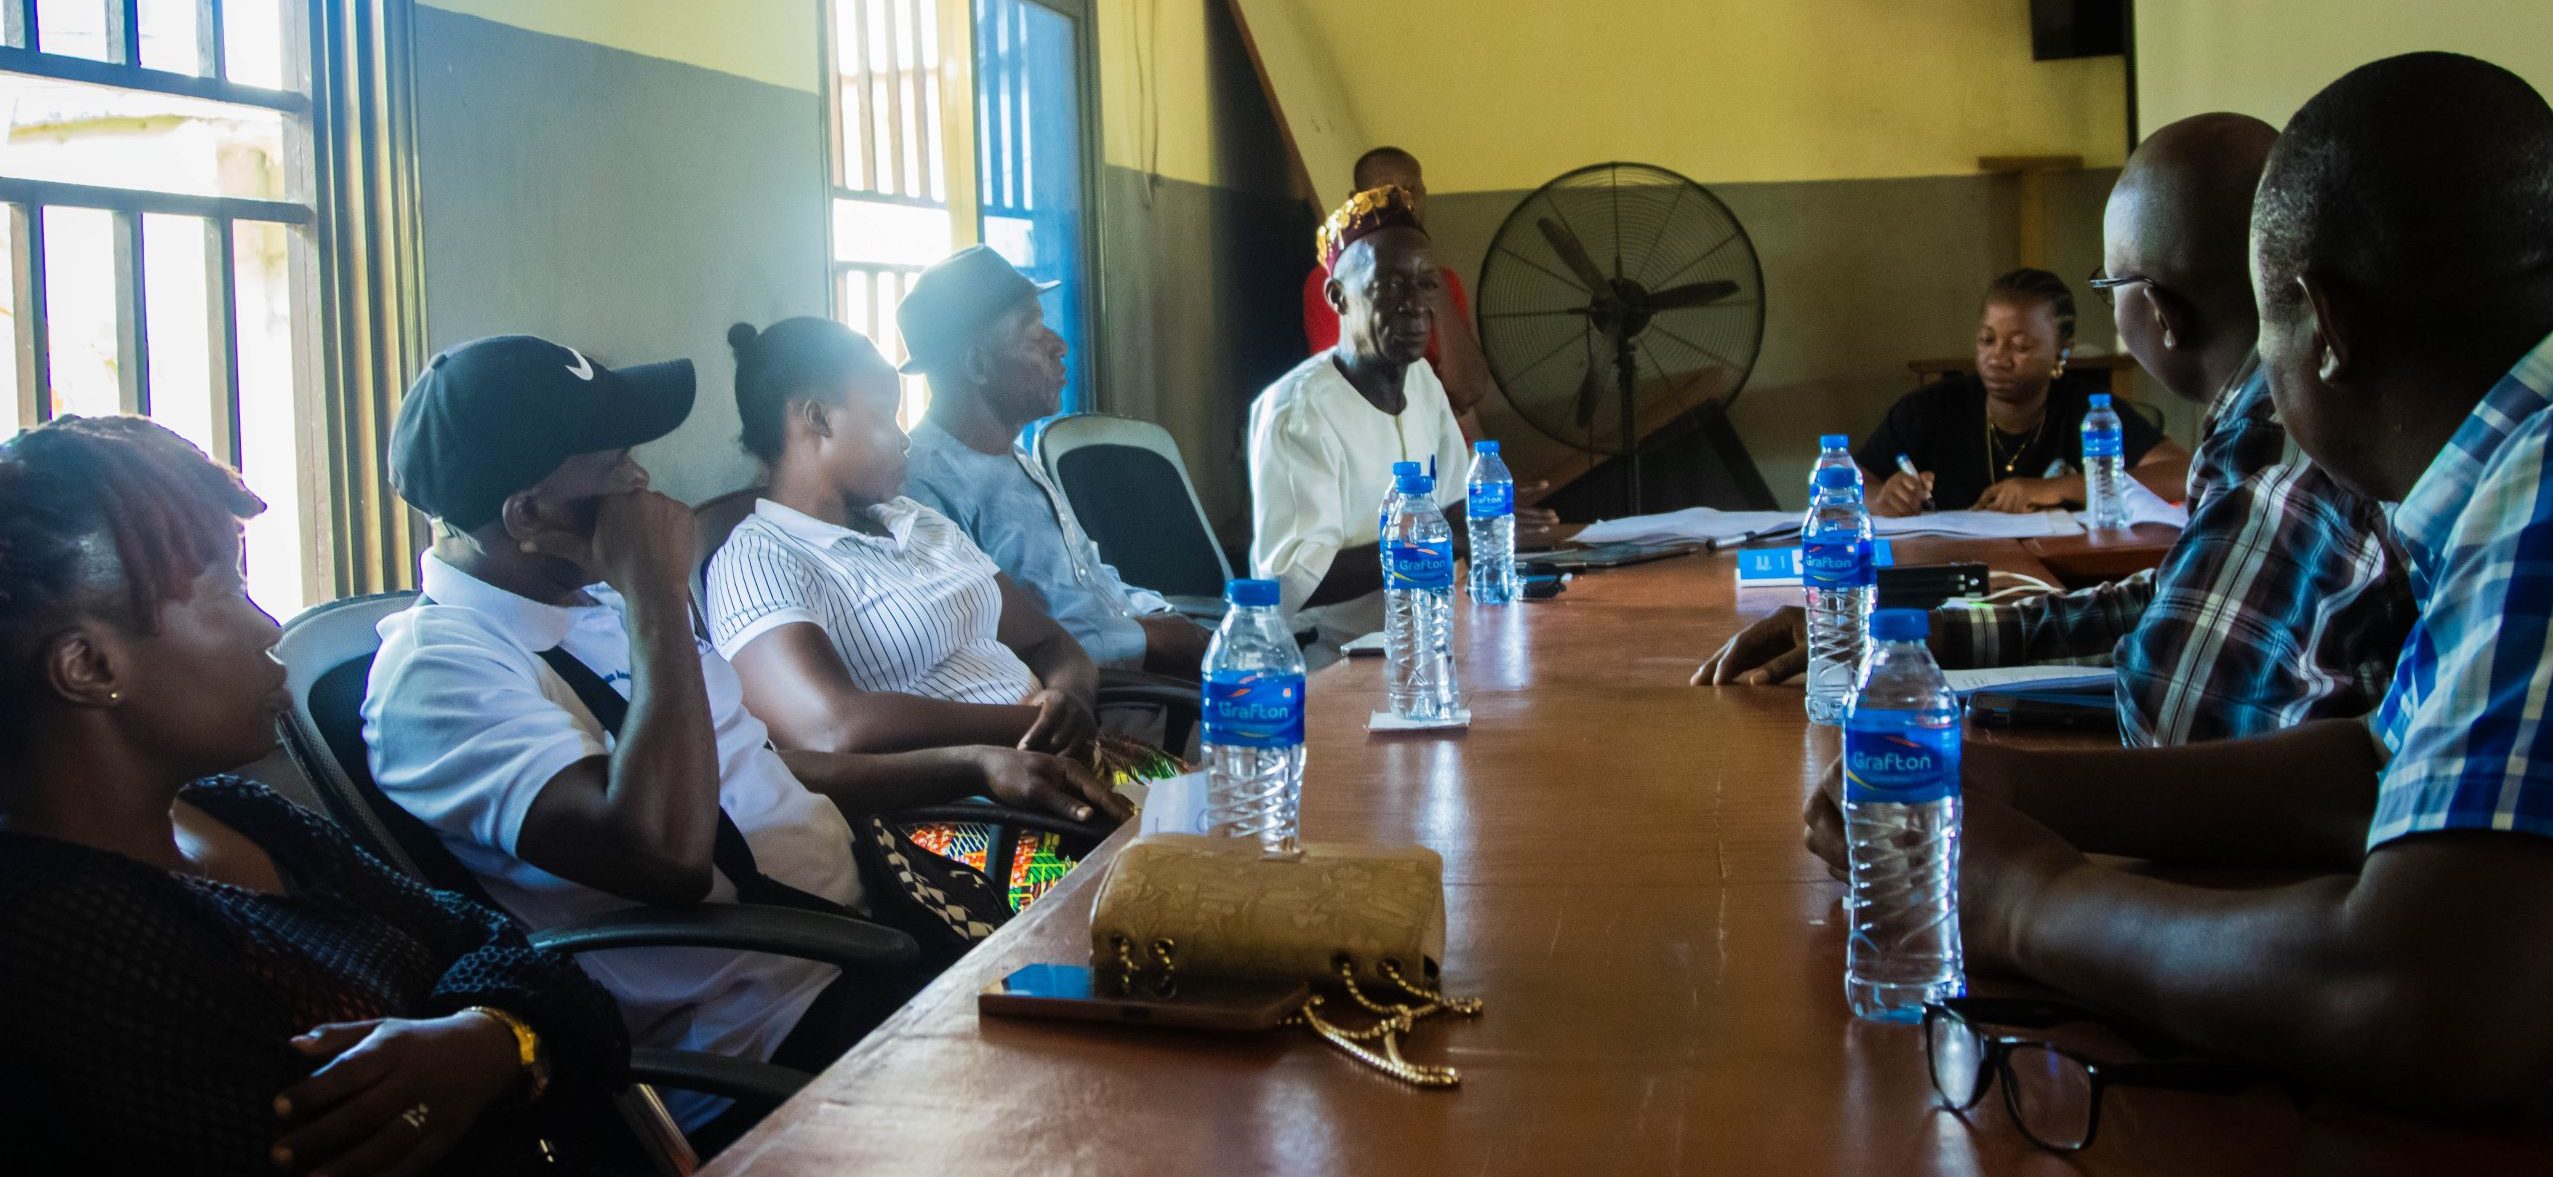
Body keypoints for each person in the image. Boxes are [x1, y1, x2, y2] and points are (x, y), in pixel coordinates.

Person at [1808, 52, 2553, 1114]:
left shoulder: (2543, 488)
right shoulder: (2497, 472)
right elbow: (2381, 772)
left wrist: (2027, 899)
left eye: (2270, 322)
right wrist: (2016, 787)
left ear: (2324, 326)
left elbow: (2419, 992)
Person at [365, 336, 1126, 1136]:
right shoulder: (438, 672)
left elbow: (754, 765)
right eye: (615, 464)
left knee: (1145, 983)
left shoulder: (595, 607)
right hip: (764, 1027)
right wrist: (657, 592)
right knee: (1100, 1097)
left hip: (877, 925)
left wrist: (971, 762)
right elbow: (662, 851)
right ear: (526, 515)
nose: (642, 482)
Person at [0, 416, 630, 1176]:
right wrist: (514, 1039)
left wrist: (493, 1035)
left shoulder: (236, 813)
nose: (267, 626)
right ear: (88, 666)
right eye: (224, 591)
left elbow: (504, 949)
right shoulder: (62, 945)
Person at [1697, 114, 2416, 748]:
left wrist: (1987, 788)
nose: (1998, 356)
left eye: (2109, 286)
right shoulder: (2259, 419)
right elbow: (2173, 599)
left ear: (2160, 312)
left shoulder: (2283, 442)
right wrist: (1908, 635)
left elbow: (2174, 722)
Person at [1252, 184, 1560, 639]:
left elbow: (1453, 510)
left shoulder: (1421, 379)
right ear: (1338, 297)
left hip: (1429, 634)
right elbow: (1292, 580)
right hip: (1333, 656)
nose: (1416, 306)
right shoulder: (1299, 412)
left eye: (1427, 285)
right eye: (1391, 286)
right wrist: (1433, 544)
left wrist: (1489, 519)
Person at [894, 245, 1213, 681]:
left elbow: (1094, 584)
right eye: (1033, 330)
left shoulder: (1016, 458)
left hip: (1140, 681)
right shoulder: (923, 489)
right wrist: (1152, 639)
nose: (1059, 345)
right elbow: (989, 647)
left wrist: (1165, 617)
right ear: (977, 364)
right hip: (1094, 711)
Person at [1856, 268, 2191, 516]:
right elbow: (1842, 486)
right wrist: (1883, 497)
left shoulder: (2089, 411)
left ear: (2061, 352)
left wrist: (2059, 488)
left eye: (2020, 346)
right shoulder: (1929, 409)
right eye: (1987, 340)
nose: (1998, 358)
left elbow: (2181, 474)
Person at [1301, 146, 1496, 435]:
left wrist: (1429, 277)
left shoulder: (1445, 280)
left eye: (1411, 190)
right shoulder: (1332, 284)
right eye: (1385, 193)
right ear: (1357, 201)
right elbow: (1358, 394)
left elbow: (1466, 392)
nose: (1403, 203)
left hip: (1445, 446)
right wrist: (1440, 402)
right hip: (1374, 448)